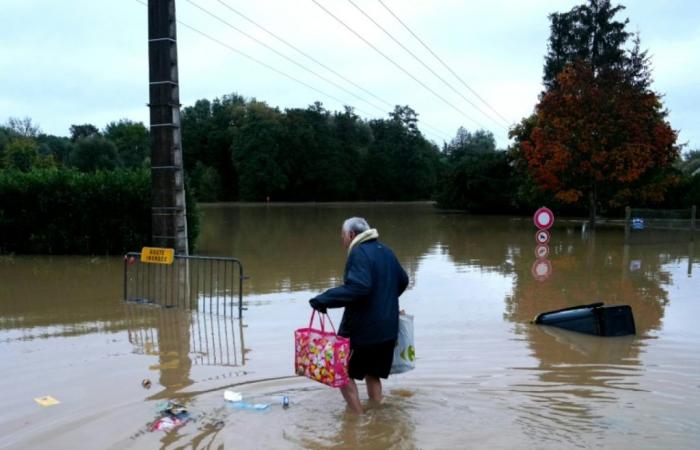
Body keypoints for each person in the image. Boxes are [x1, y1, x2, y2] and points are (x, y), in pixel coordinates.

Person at [310, 217, 409, 414]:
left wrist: (324, 299)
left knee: (342, 372)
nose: (342, 240)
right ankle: (378, 416)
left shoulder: (358, 253)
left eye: (342, 236)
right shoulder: (386, 251)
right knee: (373, 373)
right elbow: (403, 280)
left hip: (364, 331)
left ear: (351, 235)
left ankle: (357, 418)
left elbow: (359, 287)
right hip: (388, 329)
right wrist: (384, 301)